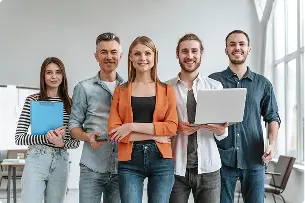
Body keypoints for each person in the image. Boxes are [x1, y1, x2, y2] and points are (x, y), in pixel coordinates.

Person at [209, 30, 281, 203]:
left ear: (249, 49)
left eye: (241, 44)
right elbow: (205, 118)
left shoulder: (263, 84)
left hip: (255, 159)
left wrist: (271, 144)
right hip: (221, 160)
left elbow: (272, 117)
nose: (237, 47)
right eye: (232, 44)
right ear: (226, 49)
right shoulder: (213, 81)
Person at [108, 36, 178, 203]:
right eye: (137, 54)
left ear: (154, 57)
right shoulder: (121, 91)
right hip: (129, 162)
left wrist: (131, 126)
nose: (143, 58)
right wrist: (154, 135)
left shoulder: (167, 90)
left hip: (161, 161)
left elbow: (171, 127)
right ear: (130, 57)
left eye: (147, 53)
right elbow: (114, 132)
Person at [166, 33, 228, 203]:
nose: (190, 56)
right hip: (175, 168)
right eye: (184, 51)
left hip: (209, 168)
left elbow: (223, 132)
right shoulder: (165, 88)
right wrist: (174, 128)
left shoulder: (215, 86)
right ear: (177, 54)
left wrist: (221, 129)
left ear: (201, 54)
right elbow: (160, 127)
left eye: (194, 51)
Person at [15, 57, 80, 203]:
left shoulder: (71, 103)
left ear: (63, 76)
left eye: (58, 72)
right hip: (37, 158)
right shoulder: (32, 100)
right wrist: (47, 138)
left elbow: (75, 142)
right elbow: (19, 137)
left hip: (61, 160)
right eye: (49, 72)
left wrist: (61, 143)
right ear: (43, 76)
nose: (54, 76)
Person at [69, 32, 124, 203]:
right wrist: (87, 136)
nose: (109, 57)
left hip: (121, 168)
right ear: (96, 56)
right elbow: (73, 126)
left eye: (113, 52)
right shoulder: (83, 88)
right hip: (91, 167)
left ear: (120, 56)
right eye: (104, 52)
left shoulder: (130, 88)